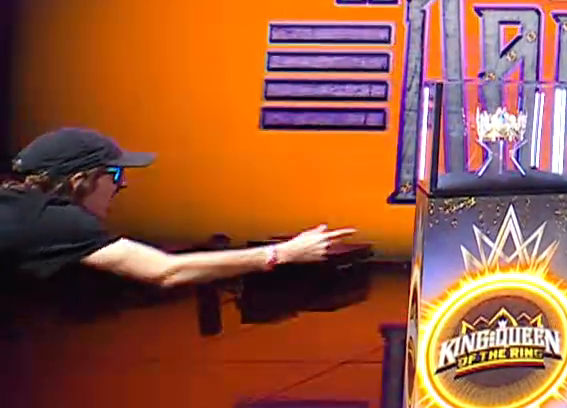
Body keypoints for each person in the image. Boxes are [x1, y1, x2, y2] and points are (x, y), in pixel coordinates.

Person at [1, 127, 354, 288]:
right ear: (80, 180)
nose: (122, 185)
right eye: (115, 174)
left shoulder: (22, 208)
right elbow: (164, 271)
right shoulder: (55, 221)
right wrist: (284, 253)